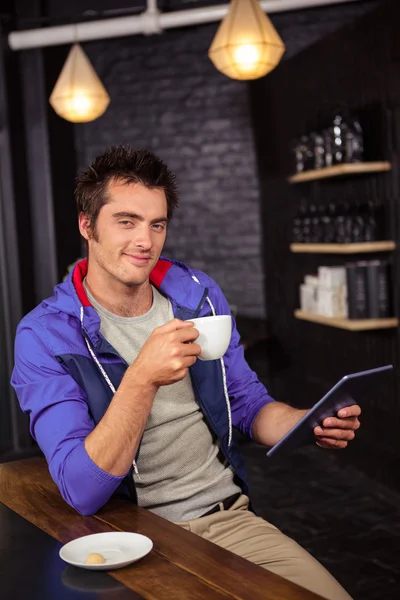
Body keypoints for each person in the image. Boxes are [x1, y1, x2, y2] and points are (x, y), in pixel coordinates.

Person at [12, 146, 360, 600]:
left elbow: (246, 404)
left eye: (157, 224)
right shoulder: (45, 335)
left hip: (228, 520)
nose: (145, 241)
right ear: (86, 225)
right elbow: (81, 489)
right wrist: (141, 377)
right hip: (127, 535)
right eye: (126, 221)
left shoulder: (197, 296)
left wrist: (306, 422)